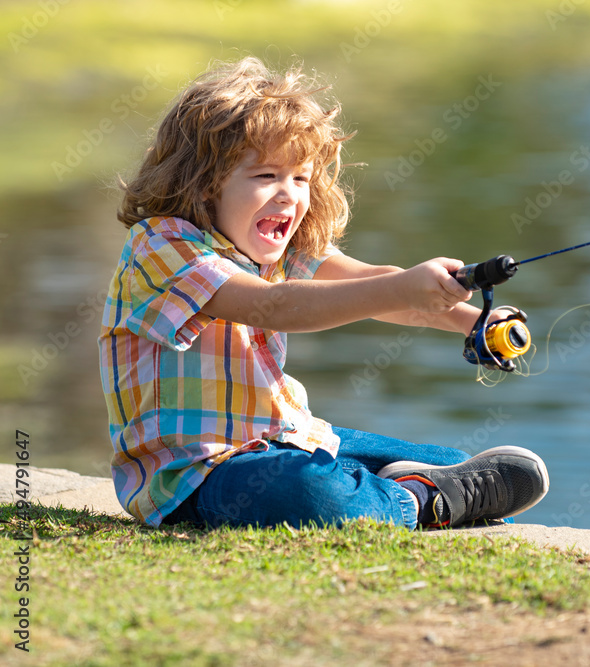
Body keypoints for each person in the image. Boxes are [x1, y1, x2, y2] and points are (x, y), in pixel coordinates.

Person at [98, 56, 548, 531]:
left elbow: (371, 279)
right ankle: (415, 501)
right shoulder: (162, 245)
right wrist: (403, 286)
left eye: (301, 178)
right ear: (205, 183)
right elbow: (273, 306)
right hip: (199, 475)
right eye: (266, 176)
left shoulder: (274, 244)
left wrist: (472, 320)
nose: (289, 195)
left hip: (285, 436)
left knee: (449, 457)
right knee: (306, 489)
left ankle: (404, 488)